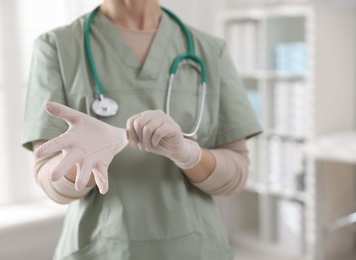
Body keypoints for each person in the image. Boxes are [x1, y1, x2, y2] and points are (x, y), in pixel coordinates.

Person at [22, 0, 262, 259]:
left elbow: (237, 174)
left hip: (192, 249)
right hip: (100, 251)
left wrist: (187, 154)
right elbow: (50, 179)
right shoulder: (57, 47)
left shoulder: (210, 51)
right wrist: (83, 162)